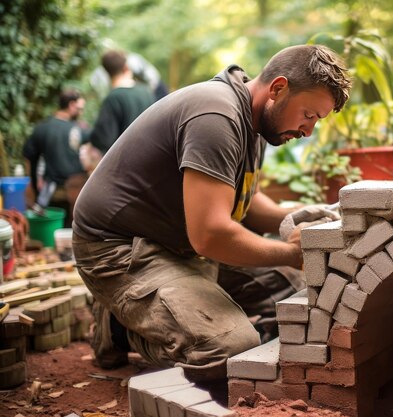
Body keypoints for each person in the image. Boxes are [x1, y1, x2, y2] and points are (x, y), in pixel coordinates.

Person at [72, 44, 352, 382]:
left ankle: (165, 309)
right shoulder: (217, 116)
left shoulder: (258, 121)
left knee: (298, 291)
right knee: (228, 349)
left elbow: (245, 203)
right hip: (119, 247)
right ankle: (121, 328)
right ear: (278, 88)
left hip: (181, 243)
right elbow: (211, 234)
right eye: (309, 115)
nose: (308, 130)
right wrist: (293, 252)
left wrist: (301, 218)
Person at [23, 89, 89, 226]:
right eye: (80, 108)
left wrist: (32, 186)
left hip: (50, 193)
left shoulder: (42, 128)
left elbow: (29, 159)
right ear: (71, 105)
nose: (81, 113)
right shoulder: (78, 129)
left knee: (53, 232)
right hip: (77, 194)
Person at [89, 49, 155, 155]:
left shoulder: (113, 98)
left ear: (106, 72)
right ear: (126, 67)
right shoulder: (146, 92)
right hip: (152, 157)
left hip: (126, 162)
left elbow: (103, 139)